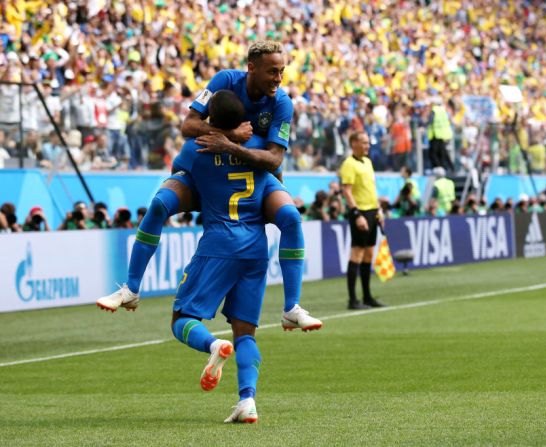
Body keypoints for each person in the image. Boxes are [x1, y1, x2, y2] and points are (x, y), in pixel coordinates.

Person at [97, 41, 321, 332]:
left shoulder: (282, 103)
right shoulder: (225, 81)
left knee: (291, 217)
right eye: (272, 72)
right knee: (159, 204)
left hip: (255, 174)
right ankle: (131, 289)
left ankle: (291, 308)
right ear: (251, 68)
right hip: (205, 171)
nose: (278, 79)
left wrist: (231, 146)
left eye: (282, 72)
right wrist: (229, 135)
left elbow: (274, 157)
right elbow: (188, 126)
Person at [167, 91, 284, 424]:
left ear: (209, 119)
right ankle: (247, 401)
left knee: (181, 320)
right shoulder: (258, 148)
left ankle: (212, 346)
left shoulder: (195, 148)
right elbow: (276, 174)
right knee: (245, 333)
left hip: (219, 243)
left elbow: (179, 180)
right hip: (256, 248)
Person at [340, 131, 386, 310]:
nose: (367, 146)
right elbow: (347, 191)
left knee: (368, 254)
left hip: (372, 211)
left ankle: (367, 296)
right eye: (364, 143)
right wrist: (356, 213)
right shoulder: (349, 164)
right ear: (354, 144)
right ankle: (352, 300)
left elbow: (371, 189)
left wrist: (379, 209)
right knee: (357, 254)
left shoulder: (368, 162)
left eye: (368, 143)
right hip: (360, 213)